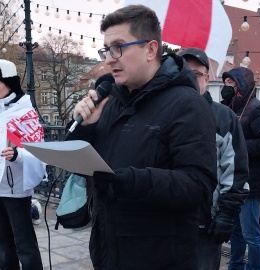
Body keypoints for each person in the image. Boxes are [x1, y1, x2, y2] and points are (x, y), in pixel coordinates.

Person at [67, 5, 218, 270]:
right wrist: (84, 129)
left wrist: (130, 179)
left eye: (118, 47)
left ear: (150, 49)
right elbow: (89, 167)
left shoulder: (187, 104)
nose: (110, 58)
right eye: (106, 50)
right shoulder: (111, 102)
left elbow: (198, 185)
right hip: (109, 249)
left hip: (159, 256)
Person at [179, 47, 250, 270]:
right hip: (167, 223)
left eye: (196, 74)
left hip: (206, 224)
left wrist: (226, 215)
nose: (190, 79)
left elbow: (236, 170)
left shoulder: (222, 117)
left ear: (207, 79)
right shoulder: (163, 112)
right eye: (184, 74)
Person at [0, 59, 45, 269]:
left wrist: (18, 155)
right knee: (2, 245)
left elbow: (39, 150)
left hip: (15, 189)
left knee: (24, 244)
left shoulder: (25, 113)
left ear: (9, 83)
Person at [221, 67, 260, 270]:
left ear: (241, 85)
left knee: (251, 232)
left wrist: (240, 147)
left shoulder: (256, 108)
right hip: (233, 180)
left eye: (231, 83)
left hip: (251, 181)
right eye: (225, 83)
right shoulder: (230, 108)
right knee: (235, 231)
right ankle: (235, 266)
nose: (226, 87)